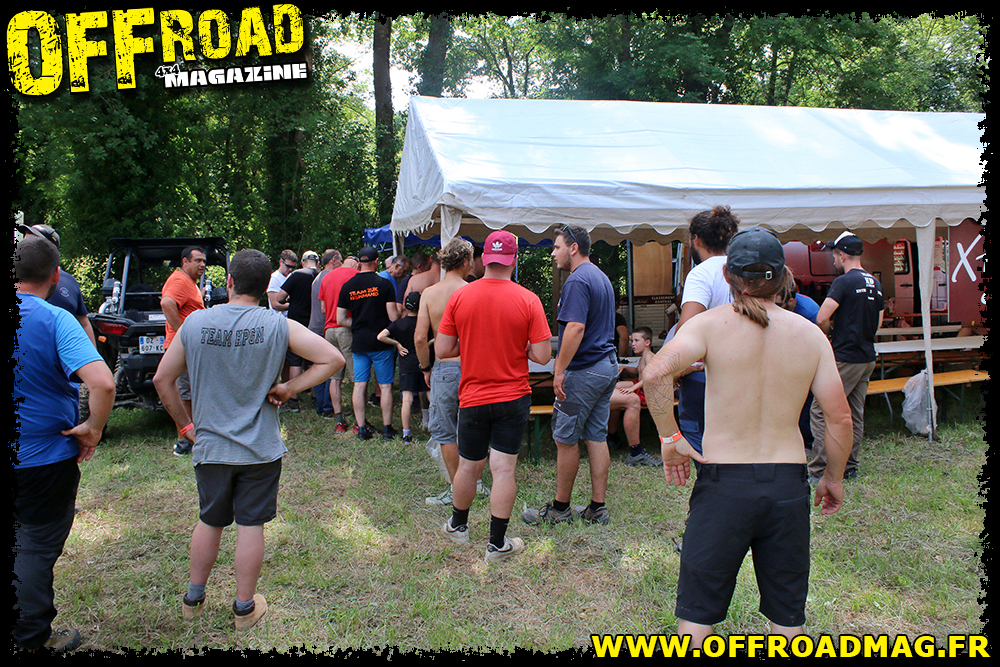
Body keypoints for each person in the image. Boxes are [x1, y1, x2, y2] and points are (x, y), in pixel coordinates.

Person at [642, 227, 853, 649]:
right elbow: (839, 418)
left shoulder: (707, 325)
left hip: (724, 485)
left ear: (727, 277)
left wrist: (670, 437)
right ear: (784, 277)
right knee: (787, 612)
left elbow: (654, 374)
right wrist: (833, 477)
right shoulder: (810, 334)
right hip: (787, 485)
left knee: (697, 613)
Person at [153, 248, 344, 632]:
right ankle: (244, 609)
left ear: (229, 282)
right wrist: (289, 388)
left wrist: (185, 427)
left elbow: (162, 379)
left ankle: (193, 601)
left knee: (209, 520)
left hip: (210, 446)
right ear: (264, 287)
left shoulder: (195, 323)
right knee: (251, 525)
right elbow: (333, 359)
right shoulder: (278, 324)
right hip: (259, 447)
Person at [14, 235, 116, 653]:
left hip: (39, 459)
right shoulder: (56, 319)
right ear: (56, 276)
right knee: (34, 548)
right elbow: (103, 383)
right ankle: (30, 640)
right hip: (42, 462)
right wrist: (93, 428)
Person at [438, 230, 552, 563]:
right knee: (503, 470)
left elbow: (443, 349)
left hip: (473, 396)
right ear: (514, 259)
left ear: (483, 259)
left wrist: (471, 343)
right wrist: (520, 346)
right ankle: (497, 544)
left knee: (468, 466)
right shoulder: (528, 299)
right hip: (512, 397)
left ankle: (458, 526)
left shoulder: (460, 297)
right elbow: (543, 355)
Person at [522, 225, 619, 526]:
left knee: (565, 438)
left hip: (584, 370)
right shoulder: (600, 277)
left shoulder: (577, 280)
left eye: (557, 247)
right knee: (596, 435)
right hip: (606, 366)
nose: (553, 253)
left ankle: (560, 509)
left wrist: (559, 369)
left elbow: (575, 328)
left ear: (573, 247)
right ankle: (597, 508)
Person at [414, 238, 487, 506]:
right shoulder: (476, 291)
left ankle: (457, 488)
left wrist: (425, 368)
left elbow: (420, 338)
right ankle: (475, 483)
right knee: (476, 426)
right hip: (473, 367)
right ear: (466, 261)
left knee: (446, 431)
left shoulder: (429, 293)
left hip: (444, 367)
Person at [808, 232, 884, 483]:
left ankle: (819, 469)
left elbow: (822, 316)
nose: (833, 260)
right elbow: (879, 321)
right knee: (854, 412)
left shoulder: (843, 282)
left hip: (845, 356)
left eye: (834, 256)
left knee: (821, 409)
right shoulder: (874, 282)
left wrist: (829, 333)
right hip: (867, 356)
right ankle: (850, 466)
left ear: (842, 256)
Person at [674, 206, 740, 460]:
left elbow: (687, 326)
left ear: (696, 239)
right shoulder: (740, 269)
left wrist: (677, 366)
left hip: (707, 373)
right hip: (743, 368)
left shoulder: (701, 273)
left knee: (703, 445)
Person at [337, 247, 399, 441]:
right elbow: (393, 317)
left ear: (359, 263)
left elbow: (340, 319)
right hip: (381, 341)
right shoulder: (384, 284)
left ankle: (362, 428)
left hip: (359, 342)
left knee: (360, 385)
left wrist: (358, 324)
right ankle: (387, 429)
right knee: (385, 386)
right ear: (376, 261)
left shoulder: (348, 286)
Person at [160, 245, 207, 456]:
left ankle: (190, 437)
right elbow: (167, 303)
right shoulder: (179, 280)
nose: (202, 264)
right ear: (185, 262)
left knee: (191, 393)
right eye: (197, 260)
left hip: (189, 348)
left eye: (204, 261)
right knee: (185, 395)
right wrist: (183, 334)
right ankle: (184, 442)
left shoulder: (189, 282)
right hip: (183, 349)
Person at [273, 250, 321, 413]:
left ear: (302, 262)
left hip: (296, 322)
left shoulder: (297, 275)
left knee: (294, 361)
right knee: (314, 361)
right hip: (315, 322)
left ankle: (293, 400)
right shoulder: (321, 276)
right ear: (318, 263)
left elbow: (279, 298)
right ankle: (316, 398)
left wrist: (292, 300)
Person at [377, 291, 428, 443]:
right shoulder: (424, 323)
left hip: (406, 364)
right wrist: (428, 345)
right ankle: (436, 427)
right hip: (424, 362)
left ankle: (406, 434)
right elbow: (435, 338)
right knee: (429, 394)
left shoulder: (398, 324)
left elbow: (381, 336)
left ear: (406, 306)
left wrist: (397, 344)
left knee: (407, 399)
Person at [610, 326, 662, 466]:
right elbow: (638, 371)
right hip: (640, 386)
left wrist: (633, 388)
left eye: (637, 341)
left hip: (647, 391)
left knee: (623, 390)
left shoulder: (651, 357)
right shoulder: (642, 357)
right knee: (616, 386)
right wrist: (625, 367)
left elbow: (650, 377)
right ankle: (612, 433)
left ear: (647, 342)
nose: (633, 344)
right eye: (632, 341)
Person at [319, 255, 360, 431]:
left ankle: (339, 421)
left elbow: (322, 308)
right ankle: (359, 421)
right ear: (357, 264)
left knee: (335, 379)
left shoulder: (326, 277)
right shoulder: (356, 276)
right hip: (346, 328)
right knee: (358, 378)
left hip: (329, 330)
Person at [309, 250, 343, 417]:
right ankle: (328, 407)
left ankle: (321, 405)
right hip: (324, 327)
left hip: (314, 327)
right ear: (333, 260)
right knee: (331, 368)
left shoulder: (318, 277)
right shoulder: (330, 278)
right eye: (341, 260)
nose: (342, 264)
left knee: (319, 367)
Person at [267, 249, 297, 314]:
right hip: (277, 318)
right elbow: (275, 305)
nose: (290, 269)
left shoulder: (292, 277)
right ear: (281, 262)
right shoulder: (274, 278)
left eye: (293, 267)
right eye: (288, 266)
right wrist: (295, 305)